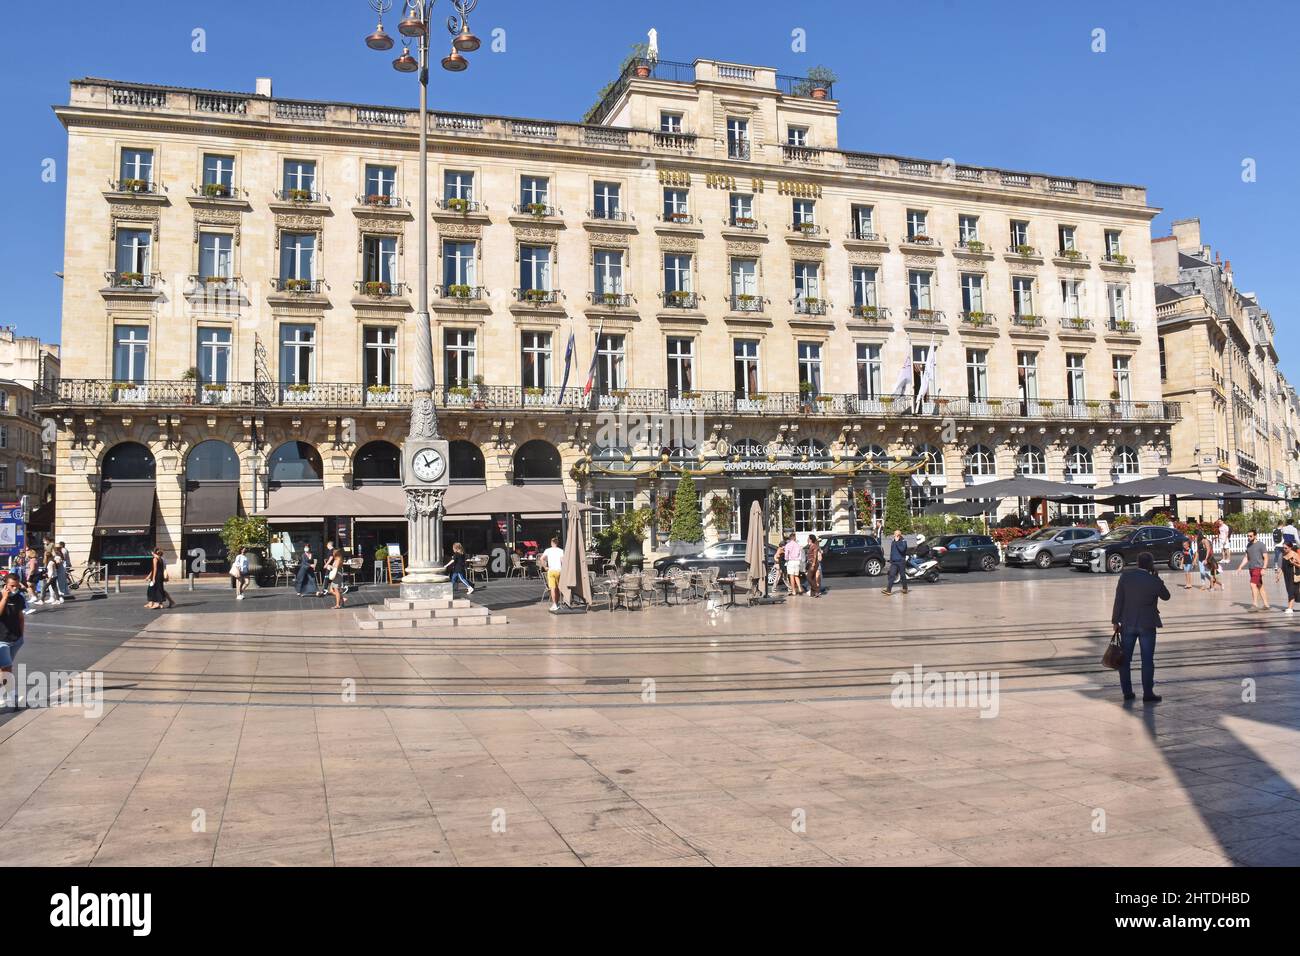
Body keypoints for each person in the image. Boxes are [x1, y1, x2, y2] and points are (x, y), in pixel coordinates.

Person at [1111, 551, 1170, 703]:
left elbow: (1119, 600)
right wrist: (1156, 578)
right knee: (1147, 660)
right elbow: (1166, 596)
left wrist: (1115, 621)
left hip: (1127, 623)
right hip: (1147, 624)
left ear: (1138, 563)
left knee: (1125, 660)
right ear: (1150, 564)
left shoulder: (1125, 577)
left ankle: (1127, 692)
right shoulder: (1153, 580)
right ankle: (1148, 693)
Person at [0, 573, 26, 709]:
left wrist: (21, 635)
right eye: (11, 586)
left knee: (3, 669)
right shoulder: (0, 595)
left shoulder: (19, 598)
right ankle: (12, 697)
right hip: (1, 640)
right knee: (7, 668)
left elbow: (20, 617)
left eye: (16, 586)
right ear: (5, 584)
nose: (14, 588)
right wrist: (4, 598)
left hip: (15, 639)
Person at [1236, 529, 1271, 612]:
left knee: (1252, 584)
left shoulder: (1261, 545)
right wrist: (1240, 566)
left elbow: (1266, 557)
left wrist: (1264, 568)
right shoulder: (1248, 545)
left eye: (1250, 536)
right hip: (1251, 568)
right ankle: (1266, 605)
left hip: (1258, 568)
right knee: (1260, 586)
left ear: (1255, 536)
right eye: (1248, 536)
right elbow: (1246, 557)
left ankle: (1255, 604)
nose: (1249, 537)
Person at [539, 535, 565, 611]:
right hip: (559, 570)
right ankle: (559, 603)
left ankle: (554, 604)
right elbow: (562, 561)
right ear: (557, 543)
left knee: (553, 588)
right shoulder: (560, 550)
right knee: (558, 588)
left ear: (551, 543)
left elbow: (541, 559)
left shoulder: (548, 550)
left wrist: (545, 567)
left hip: (551, 570)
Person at [881, 529, 909, 596]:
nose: (894, 535)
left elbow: (902, 550)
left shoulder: (903, 541)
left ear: (899, 535)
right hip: (894, 562)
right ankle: (889, 590)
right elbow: (892, 551)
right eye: (894, 534)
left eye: (895, 534)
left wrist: (897, 542)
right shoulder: (893, 541)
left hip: (901, 561)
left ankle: (905, 588)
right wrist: (891, 560)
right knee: (891, 575)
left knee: (902, 576)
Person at [1281, 543, 1300, 615]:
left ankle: (1290, 608)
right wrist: (1278, 576)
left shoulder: (1295, 554)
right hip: (1287, 576)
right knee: (1290, 591)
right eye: (1283, 548)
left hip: (1293, 575)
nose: (1284, 549)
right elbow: (1282, 567)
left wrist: (1294, 563)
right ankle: (1289, 607)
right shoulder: (1284, 554)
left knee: (1291, 591)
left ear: (1290, 547)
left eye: (1286, 548)